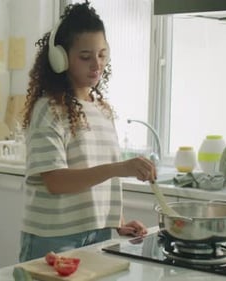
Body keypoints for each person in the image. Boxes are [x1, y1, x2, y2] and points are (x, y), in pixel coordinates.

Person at [19, 1, 157, 262]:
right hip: (54, 238)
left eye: (102, 54)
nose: (97, 64)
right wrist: (119, 168)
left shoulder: (103, 110)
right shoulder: (49, 109)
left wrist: (118, 222)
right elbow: (56, 181)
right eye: (85, 56)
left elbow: (100, 180)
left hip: (99, 235)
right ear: (60, 58)